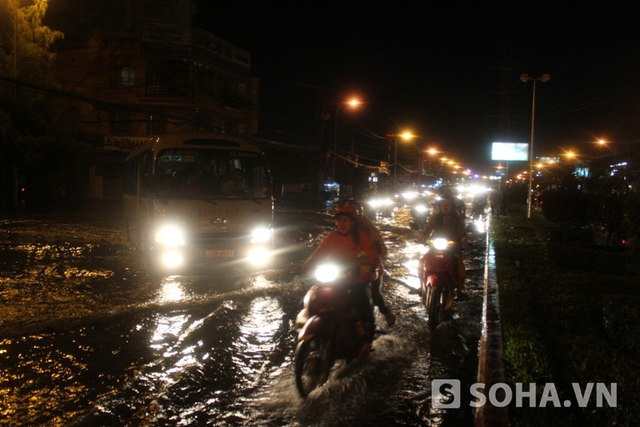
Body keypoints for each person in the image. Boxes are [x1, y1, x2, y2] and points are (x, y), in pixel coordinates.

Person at [301, 203, 381, 358]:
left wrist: (367, 266)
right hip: (337, 277)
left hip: (357, 278)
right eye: (339, 221)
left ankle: (367, 340)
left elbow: (373, 255)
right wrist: (307, 264)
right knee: (315, 298)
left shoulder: (363, 237)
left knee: (362, 304)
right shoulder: (332, 237)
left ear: (352, 222)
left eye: (345, 221)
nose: (341, 224)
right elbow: (320, 252)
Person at [337, 198, 396, 327]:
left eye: (346, 218)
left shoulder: (369, 231)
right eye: (340, 219)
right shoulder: (339, 231)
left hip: (369, 268)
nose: (343, 223)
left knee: (375, 295)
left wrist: (370, 263)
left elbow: (381, 250)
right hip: (347, 268)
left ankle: (385, 312)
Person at [419, 197, 469, 300]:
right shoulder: (435, 219)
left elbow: (462, 232)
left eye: (448, 205)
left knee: (460, 267)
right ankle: (421, 286)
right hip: (436, 247)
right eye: (443, 206)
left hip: (453, 248)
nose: (446, 208)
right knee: (421, 263)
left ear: (452, 207)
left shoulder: (457, 220)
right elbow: (428, 229)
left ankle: (460, 291)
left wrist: (463, 239)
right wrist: (423, 237)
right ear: (440, 207)